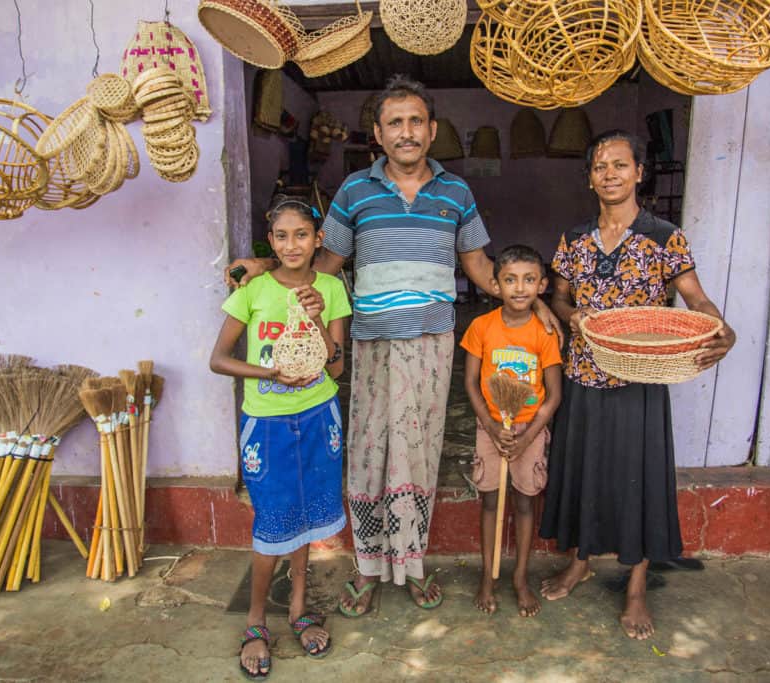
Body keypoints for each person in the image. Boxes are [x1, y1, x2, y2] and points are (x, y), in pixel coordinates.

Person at [226, 75, 560, 617]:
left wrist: (529, 301)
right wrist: (266, 262)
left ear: (431, 130)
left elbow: (478, 265)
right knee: (368, 452)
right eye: (393, 123)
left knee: (419, 453)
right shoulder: (356, 191)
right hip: (373, 342)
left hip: (430, 344)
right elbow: (324, 264)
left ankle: (412, 563)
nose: (405, 133)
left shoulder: (456, 193)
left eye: (415, 122)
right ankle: (366, 568)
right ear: (377, 134)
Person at [537, 130, 736, 640]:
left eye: (620, 165)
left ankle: (636, 587)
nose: (610, 174)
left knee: (638, 480)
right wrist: (572, 315)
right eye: (601, 166)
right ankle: (581, 562)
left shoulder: (664, 236)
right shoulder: (574, 239)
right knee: (582, 472)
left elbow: (697, 299)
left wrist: (722, 329)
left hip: (640, 378)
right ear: (589, 178)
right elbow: (558, 296)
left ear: (639, 173)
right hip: (583, 374)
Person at [210, 197, 352, 675]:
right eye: (283, 236)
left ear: (318, 240)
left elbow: (336, 364)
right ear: (271, 243)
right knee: (273, 518)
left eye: (302, 235)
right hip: (267, 421)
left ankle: (297, 610)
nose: (293, 244)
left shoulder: (331, 288)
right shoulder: (253, 291)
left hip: (318, 415)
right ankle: (255, 622)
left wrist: (314, 318)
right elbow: (219, 359)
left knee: (308, 517)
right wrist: (270, 370)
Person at [461, 245, 562, 618]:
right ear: (495, 284)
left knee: (523, 502)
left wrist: (528, 436)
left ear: (542, 285)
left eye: (529, 279)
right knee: (490, 500)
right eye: (510, 279)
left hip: (529, 430)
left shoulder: (544, 332)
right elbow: (471, 383)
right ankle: (488, 576)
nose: (520, 288)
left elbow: (554, 395)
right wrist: (490, 426)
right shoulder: (481, 327)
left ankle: (519, 577)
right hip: (491, 427)